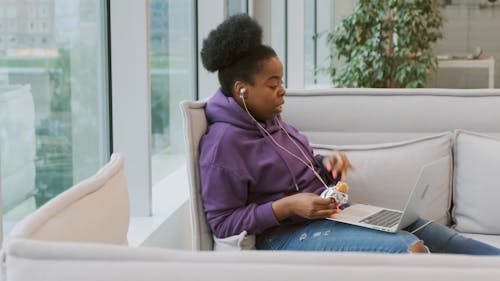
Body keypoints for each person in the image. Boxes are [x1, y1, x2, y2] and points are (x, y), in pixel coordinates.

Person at [198, 13, 500, 255]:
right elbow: (224, 223)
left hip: (332, 215)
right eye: (273, 83)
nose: (282, 90)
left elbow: (304, 164)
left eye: (282, 81)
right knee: (409, 248)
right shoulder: (222, 145)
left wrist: (328, 165)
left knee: (430, 231)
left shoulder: (272, 121)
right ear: (242, 89)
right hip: (283, 236)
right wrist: (287, 206)